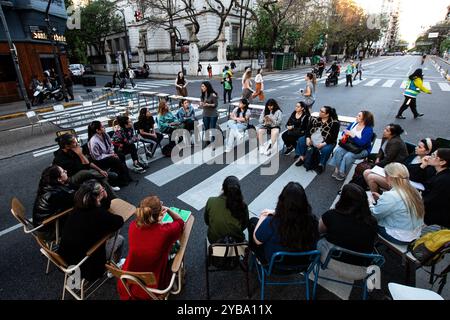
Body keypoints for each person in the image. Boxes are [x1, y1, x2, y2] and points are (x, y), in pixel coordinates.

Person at [117, 195, 184, 299]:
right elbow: (180, 222)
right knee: (178, 246)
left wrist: (158, 220)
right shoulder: (165, 232)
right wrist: (169, 210)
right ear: (160, 212)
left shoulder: (133, 226)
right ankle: (177, 279)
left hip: (130, 277)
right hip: (154, 282)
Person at [58, 180, 124, 281]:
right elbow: (119, 221)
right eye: (103, 190)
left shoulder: (77, 208)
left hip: (65, 261)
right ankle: (113, 269)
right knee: (119, 239)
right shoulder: (98, 214)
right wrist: (106, 197)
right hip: (86, 267)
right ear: (100, 195)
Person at [249, 182, 319, 265]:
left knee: (253, 221)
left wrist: (263, 217)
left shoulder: (272, 222)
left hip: (275, 265)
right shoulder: (313, 220)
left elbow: (257, 241)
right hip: (302, 263)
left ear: (282, 201)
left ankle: (254, 259)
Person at [318, 183, 378, 264]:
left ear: (343, 199)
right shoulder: (372, 222)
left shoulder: (331, 215)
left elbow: (317, 231)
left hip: (330, 261)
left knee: (318, 240)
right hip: (359, 268)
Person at [370, 163, 425, 245]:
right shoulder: (415, 191)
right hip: (414, 234)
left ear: (389, 177)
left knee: (365, 218)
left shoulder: (391, 196)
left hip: (399, 237)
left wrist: (369, 203)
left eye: (385, 176)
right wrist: (382, 199)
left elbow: (375, 215)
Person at [53, 133, 119, 192]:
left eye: (77, 141)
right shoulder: (60, 158)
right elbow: (81, 167)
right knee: (85, 172)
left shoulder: (72, 150)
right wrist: (80, 154)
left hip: (81, 171)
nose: (77, 144)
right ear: (67, 146)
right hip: (69, 178)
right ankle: (107, 184)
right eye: (74, 142)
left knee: (97, 173)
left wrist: (100, 170)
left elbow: (88, 163)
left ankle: (107, 187)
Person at [366, 138, 436, 193]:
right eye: (417, 145)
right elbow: (401, 164)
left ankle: (377, 199)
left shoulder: (428, 165)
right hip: (397, 177)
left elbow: (415, 178)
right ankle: (378, 193)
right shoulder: (414, 156)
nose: (416, 148)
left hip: (405, 185)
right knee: (367, 172)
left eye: (420, 147)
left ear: (427, 151)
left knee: (371, 177)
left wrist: (422, 167)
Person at [33, 165, 76, 241]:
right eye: (63, 171)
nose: (66, 171)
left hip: (42, 227)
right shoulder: (56, 194)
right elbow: (76, 200)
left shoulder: (46, 186)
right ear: (59, 179)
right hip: (49, 232)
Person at [329, 111, 374, 181]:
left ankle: (342, 172)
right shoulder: (354, 124)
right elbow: (345, 131)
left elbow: (362, 143)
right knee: (338, 151)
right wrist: (345, 133)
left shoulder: (368, 129)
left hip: (362, 149)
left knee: (348, 156)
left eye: (359, 116)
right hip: (350, 145)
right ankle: (337, 168)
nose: (356, 116)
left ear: (365, 119)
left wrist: (353, 135)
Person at [363, 124, 408, 192]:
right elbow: (381, 149)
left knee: (367, 171)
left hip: (393, 167)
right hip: (385, 159)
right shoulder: (385, 137)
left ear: (393, 134)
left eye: (387, 130)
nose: (384, 131)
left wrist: (373, 166)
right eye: (385, 129)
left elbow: (388, 160)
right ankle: (371, 186)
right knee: (370, 158)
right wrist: (378, 157)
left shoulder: (396, 143)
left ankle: (374, 191)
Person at [295, 106, 340, 174]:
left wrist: (323, 144)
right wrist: (308, 138)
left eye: (322, 112)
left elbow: (333, 138)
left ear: (327, 114)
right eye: (320, 110)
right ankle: (302, 158)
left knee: (325, 150)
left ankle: (321, 164)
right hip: (313, 139)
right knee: (301, 140)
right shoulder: (315, 119)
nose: (320, 112)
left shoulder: (334, 123)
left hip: (327, 142)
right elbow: (308, 130)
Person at [204, 176, 249, 243]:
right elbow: (244, 225)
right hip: (236, 242)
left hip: (214, 241)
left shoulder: (211, 201)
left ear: (223, 188)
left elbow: (207, 221)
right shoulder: (243, 206)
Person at [87, 121, 133, 187]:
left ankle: (126, 176)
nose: (104, 128)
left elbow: (110, 144)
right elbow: (97, 157)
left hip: (107, 155)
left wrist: (112, 153)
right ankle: (121, 180)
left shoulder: (104, 134)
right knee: (116, 160)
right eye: (102, 127)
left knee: (121, 156)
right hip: (100, 160)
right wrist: (111, 155)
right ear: (97, 130)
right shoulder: (93, 141)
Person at [413, 148, 450, 229]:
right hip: (425, 204)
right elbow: (415, 178)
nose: (429, 157)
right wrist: (422, 166)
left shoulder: (444, 180)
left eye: (433, 156)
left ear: (442, 162)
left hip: (432, 216)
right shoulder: (433, 170)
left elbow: (430, 201)